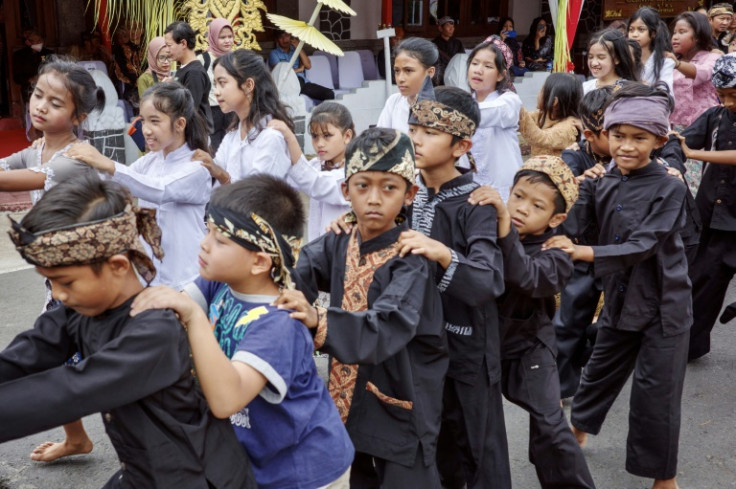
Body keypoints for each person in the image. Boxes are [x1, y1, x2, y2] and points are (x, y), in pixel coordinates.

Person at [0, 174, 256, 489]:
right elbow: (27, 354)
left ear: (119, 266)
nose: (57, 294)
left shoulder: (154, 331)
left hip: (195, 478)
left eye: (65, 282)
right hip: (140, 471)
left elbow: (72, 389)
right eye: (49, 282)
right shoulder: (77, 311)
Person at [129, 175, 354, 489]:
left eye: (221, 240)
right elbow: (169, 311)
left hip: (303, 471)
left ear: (260, 261)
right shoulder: (220, 282)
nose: (205, 244)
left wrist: (194, 317)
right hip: (257, 458)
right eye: (208, 230)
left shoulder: (280, 322)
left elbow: (226, 399)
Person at [278, 128, 448, 488]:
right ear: (345, 191)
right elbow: (297, 275)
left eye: (389, 187)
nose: (374, 199)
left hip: (401, 402)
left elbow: (385, 325)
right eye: (362, 186)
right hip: (351, 405)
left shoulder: (411, 259)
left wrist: (317, 319)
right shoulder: (341, 240)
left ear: (409, 194)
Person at [545, 82, 690, 489]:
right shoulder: (600, 181)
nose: (626, 146)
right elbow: (572, 226)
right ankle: (577, 432)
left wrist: (582, 253)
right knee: (599, 371)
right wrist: (574, 189)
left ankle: (665, 477)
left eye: (639, 138)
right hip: (621, 298)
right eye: (618, 136)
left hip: (665, 304)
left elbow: (642, 246)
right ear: (605, 135)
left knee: (656, 393)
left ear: (659, 140)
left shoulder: (671, 185)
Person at [400, 83, 510, 489]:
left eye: (429, 132)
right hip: (421, 344)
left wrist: (443, 253)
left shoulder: (475, 202)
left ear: (461, 145)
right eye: (414, 129)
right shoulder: (408, 195)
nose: (416, 139)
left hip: (468, 348)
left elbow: (488, 279)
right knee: (432, 444)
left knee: (479, 451)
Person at [0, 58, 105, 463]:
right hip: (61, 278)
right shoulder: (39, 147)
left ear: (77, 115)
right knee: (62, 361)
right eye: (37, 95)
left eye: (55, 103)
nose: (40, 106)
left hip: (90, 276)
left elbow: (17, 180)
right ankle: (78, 437)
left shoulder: (75, 156)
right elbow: (7, 166)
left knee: (100, 365)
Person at [470, 156, 596, 489]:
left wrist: (504, 229)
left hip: (528, 350)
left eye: (537, 205)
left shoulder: (557, 252)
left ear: (557, 218)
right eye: (518, 197)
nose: (522, 208)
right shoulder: (485, 232)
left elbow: (527, 277)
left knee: (551, 428)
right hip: (479, 346)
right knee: (469, 428)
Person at [67, 82, 212, 291]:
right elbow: (117, 183)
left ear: (180, 124)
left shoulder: (196, 167)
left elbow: (159, 189)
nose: (146, 130)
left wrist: (108, 164)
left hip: (186, 278)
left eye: (155, 121)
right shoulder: (151, 160)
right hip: (153, 276)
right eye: (143, 120)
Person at [664, 53, 736, 361]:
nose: (728, 102)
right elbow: (678, 139)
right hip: (711, 213)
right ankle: (689, 346)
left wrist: (692, 154)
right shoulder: (715, 116)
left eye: (734, 95)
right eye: (722, 96)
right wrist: (673, 160)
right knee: (704, 280)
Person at [553, 87, 613, 399]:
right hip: (581, 250)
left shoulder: (634, 157)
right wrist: (578, 182)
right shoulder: (575, 157)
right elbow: (559, 194)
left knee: (612, 325)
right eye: (610, 130)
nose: (621, 139)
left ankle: (592, 362)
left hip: (619, 254)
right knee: (568, 322)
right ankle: (563, 387)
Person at [193, 49, 292, 185]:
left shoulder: (271, 136)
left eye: (222, 83)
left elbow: (255, 196)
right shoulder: (234, 134)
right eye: (215, 85)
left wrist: (222, 176)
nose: (216, 92)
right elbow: (214, 171)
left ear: (248, 85)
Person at [269, 101, 353, 241]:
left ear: (347, 136)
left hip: (344, 252)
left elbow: (315, 183)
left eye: (327, 136)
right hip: (317, 251)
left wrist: (290, 138)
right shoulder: (315, 165)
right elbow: (285, 180)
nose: (320, 143)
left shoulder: (353, 171)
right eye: (315, 136)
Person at [667, 11, 721, 194]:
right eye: (674, 32)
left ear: (697, 36)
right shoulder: (671, 63)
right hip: (678, 129)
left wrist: (676, 64)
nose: (675, 37)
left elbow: (702, 73)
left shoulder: (712, 57)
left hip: (706, 129)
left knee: (702, 181)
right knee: (678, 177)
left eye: (682, 32)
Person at [466, 38, 523, 200]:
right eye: (475, 63)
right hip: (471, 189)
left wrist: (453, 111)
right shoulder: (465, 101)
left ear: (501, 75)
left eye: (488, 66)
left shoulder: (509, 101)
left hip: (503, 189)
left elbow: (491, 113)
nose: (478, 70)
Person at [377, 37, 438, 133]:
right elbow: (381, 141)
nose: (400, 78)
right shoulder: (394, 102)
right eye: (397, 71)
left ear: (430, 72)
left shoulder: (442, 108)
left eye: (408, 70)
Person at [164, 21, 214, 135]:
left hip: (195, 136)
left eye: (169, 45)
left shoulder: (194, 73)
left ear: (183, 43)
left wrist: (168, 90)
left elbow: (189, 109)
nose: (167, 50)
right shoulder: (184, 68)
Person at [519, 72, 582, 157]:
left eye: (541, 91)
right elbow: (520, 120)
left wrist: (519, 107)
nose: (538, 94)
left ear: (554, 102)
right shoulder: (542, 115)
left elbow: (542, 138)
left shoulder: (569, 126)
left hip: (554, 169)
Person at [198, 18, 235, 152]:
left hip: (232, 109)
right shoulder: (203, 60)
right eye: (222, 37)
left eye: (230, 36)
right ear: (213, 37)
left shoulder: (235, 58)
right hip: (212, 110)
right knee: (215, 148)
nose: (227, 41)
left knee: (233, 145)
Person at [268, 30, 334, 102]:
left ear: (290, 36)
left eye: (287, 36)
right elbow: (279, 72)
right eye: (281, 37)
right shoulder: (274, 53)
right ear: (277, 39)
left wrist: (298, 47)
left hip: (302, 83)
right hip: (286, 84)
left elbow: (308, 65)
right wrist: (299, 70)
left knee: (329, 94)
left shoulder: (296, 50)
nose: (284, 40)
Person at [12, 30, 54, 140]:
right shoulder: (19, 56)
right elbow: (16, 77)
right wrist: (30, 79)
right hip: (29, 89)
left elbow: (55, 69)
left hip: (47, 88)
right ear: (28, 42)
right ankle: (33, 135)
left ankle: (49, 134)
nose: (40, 43)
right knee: (32, 112)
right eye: (37, 41)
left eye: (41, 40)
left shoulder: (48, 53)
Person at [627, 7, 675, 94]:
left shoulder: (665, 62)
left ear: (653, 33)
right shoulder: (623, 58)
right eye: (631, 30)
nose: (634, 34)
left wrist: (643, 87)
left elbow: (666, 94)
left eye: (641, 29)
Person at [583, 28, 640, 94]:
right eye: (590, 57)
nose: (594, 63)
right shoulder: (584, 87)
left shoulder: (627, 89)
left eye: (601, 57)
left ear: (617, 59)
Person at [111, 26, 142, 109]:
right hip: (127, 79)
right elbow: (122, 66)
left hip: (133, 78)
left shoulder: (135, 48)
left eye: (124, 36)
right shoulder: (119, 50)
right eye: (119, 37)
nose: (122, 39)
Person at [432, 16, 465, 86]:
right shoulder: (433, 44)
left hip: (454, 75)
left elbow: (462, 59)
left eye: (452, 26)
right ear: (440, 28)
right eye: (448, 26)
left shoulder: (457, 43)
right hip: (440, 77)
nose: (451, 29)